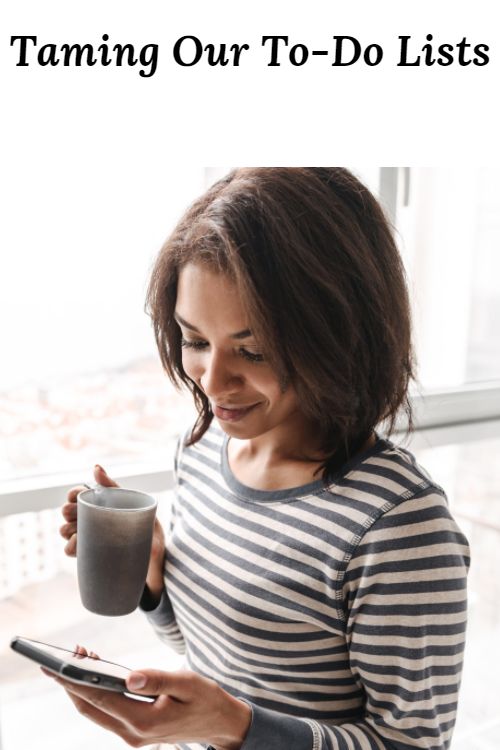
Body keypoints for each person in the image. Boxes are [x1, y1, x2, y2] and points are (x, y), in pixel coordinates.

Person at [55, 168, 470, 750]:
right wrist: (153, 576)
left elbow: (412, 745)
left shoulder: (398, 525)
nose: (212, 381)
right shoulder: (199, 452)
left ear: (340, 334)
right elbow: (220, 657)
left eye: (252, 350)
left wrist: (232, 726)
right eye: (195, 341)